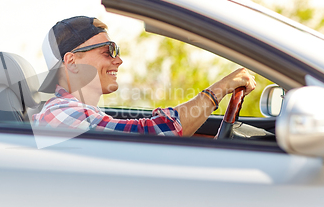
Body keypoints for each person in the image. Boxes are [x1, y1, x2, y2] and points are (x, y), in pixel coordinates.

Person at [33, 16, 256, 136]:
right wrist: (219, 90)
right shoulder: (62, 115)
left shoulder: (82, 115)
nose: (118, 59)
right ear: (72, 62)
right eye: (108, 50)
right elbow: (152, 133)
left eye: (117, 51)